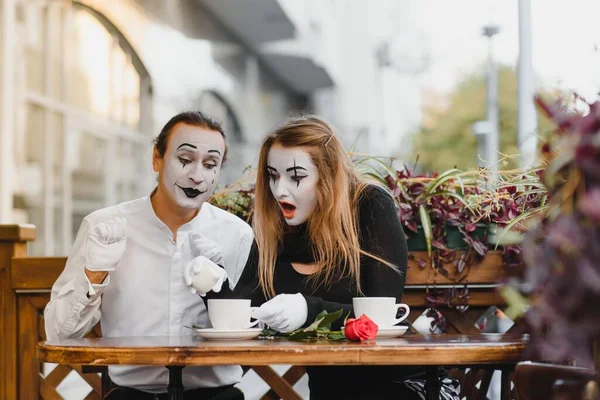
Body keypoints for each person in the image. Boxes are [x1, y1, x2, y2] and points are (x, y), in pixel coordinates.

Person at [192, 116, 461, 400]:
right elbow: (241, 320)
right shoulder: (273, 229)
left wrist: (308, 309)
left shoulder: (370, 205)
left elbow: (380, 319)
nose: (280, 189)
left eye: (296, 176)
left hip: (410, 386)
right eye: (273, 175)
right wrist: (213, 283)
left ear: (329, 174)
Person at [44, 111, 253, 400]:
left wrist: (220, 292)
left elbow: (252, 332)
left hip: (216, 395)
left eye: (210, 164)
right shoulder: (104, 227)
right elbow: (58, 333)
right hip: (130, 394)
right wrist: (95, 273)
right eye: (185, 160)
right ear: (157, 158)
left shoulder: (237, 234)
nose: (197, 175)